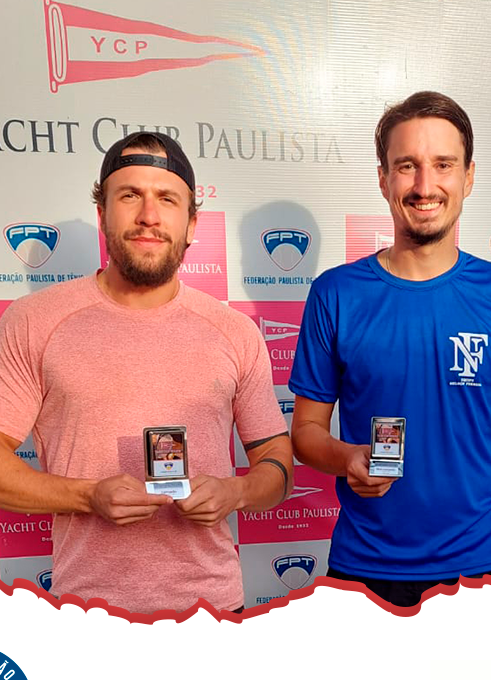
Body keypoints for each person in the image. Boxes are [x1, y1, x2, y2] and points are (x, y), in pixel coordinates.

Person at [0, 131, 292, 614]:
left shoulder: (235, 332)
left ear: (192, 224)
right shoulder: (34, 321)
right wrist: (87, 496)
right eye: (130, 195)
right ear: (102, 214)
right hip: (88, 618)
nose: (149, 216)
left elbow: (278, 464)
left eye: (167, 199)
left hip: (215, 613)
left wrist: (236, 491)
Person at [289, 91, 491, 608]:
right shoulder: (336, 293)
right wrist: (348, 457)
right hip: (366, 567)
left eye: (443, 165)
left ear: (469, 176)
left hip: (482, 564)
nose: (425, 186)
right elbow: (306, 433)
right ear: (383, 178)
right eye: (407, 166)